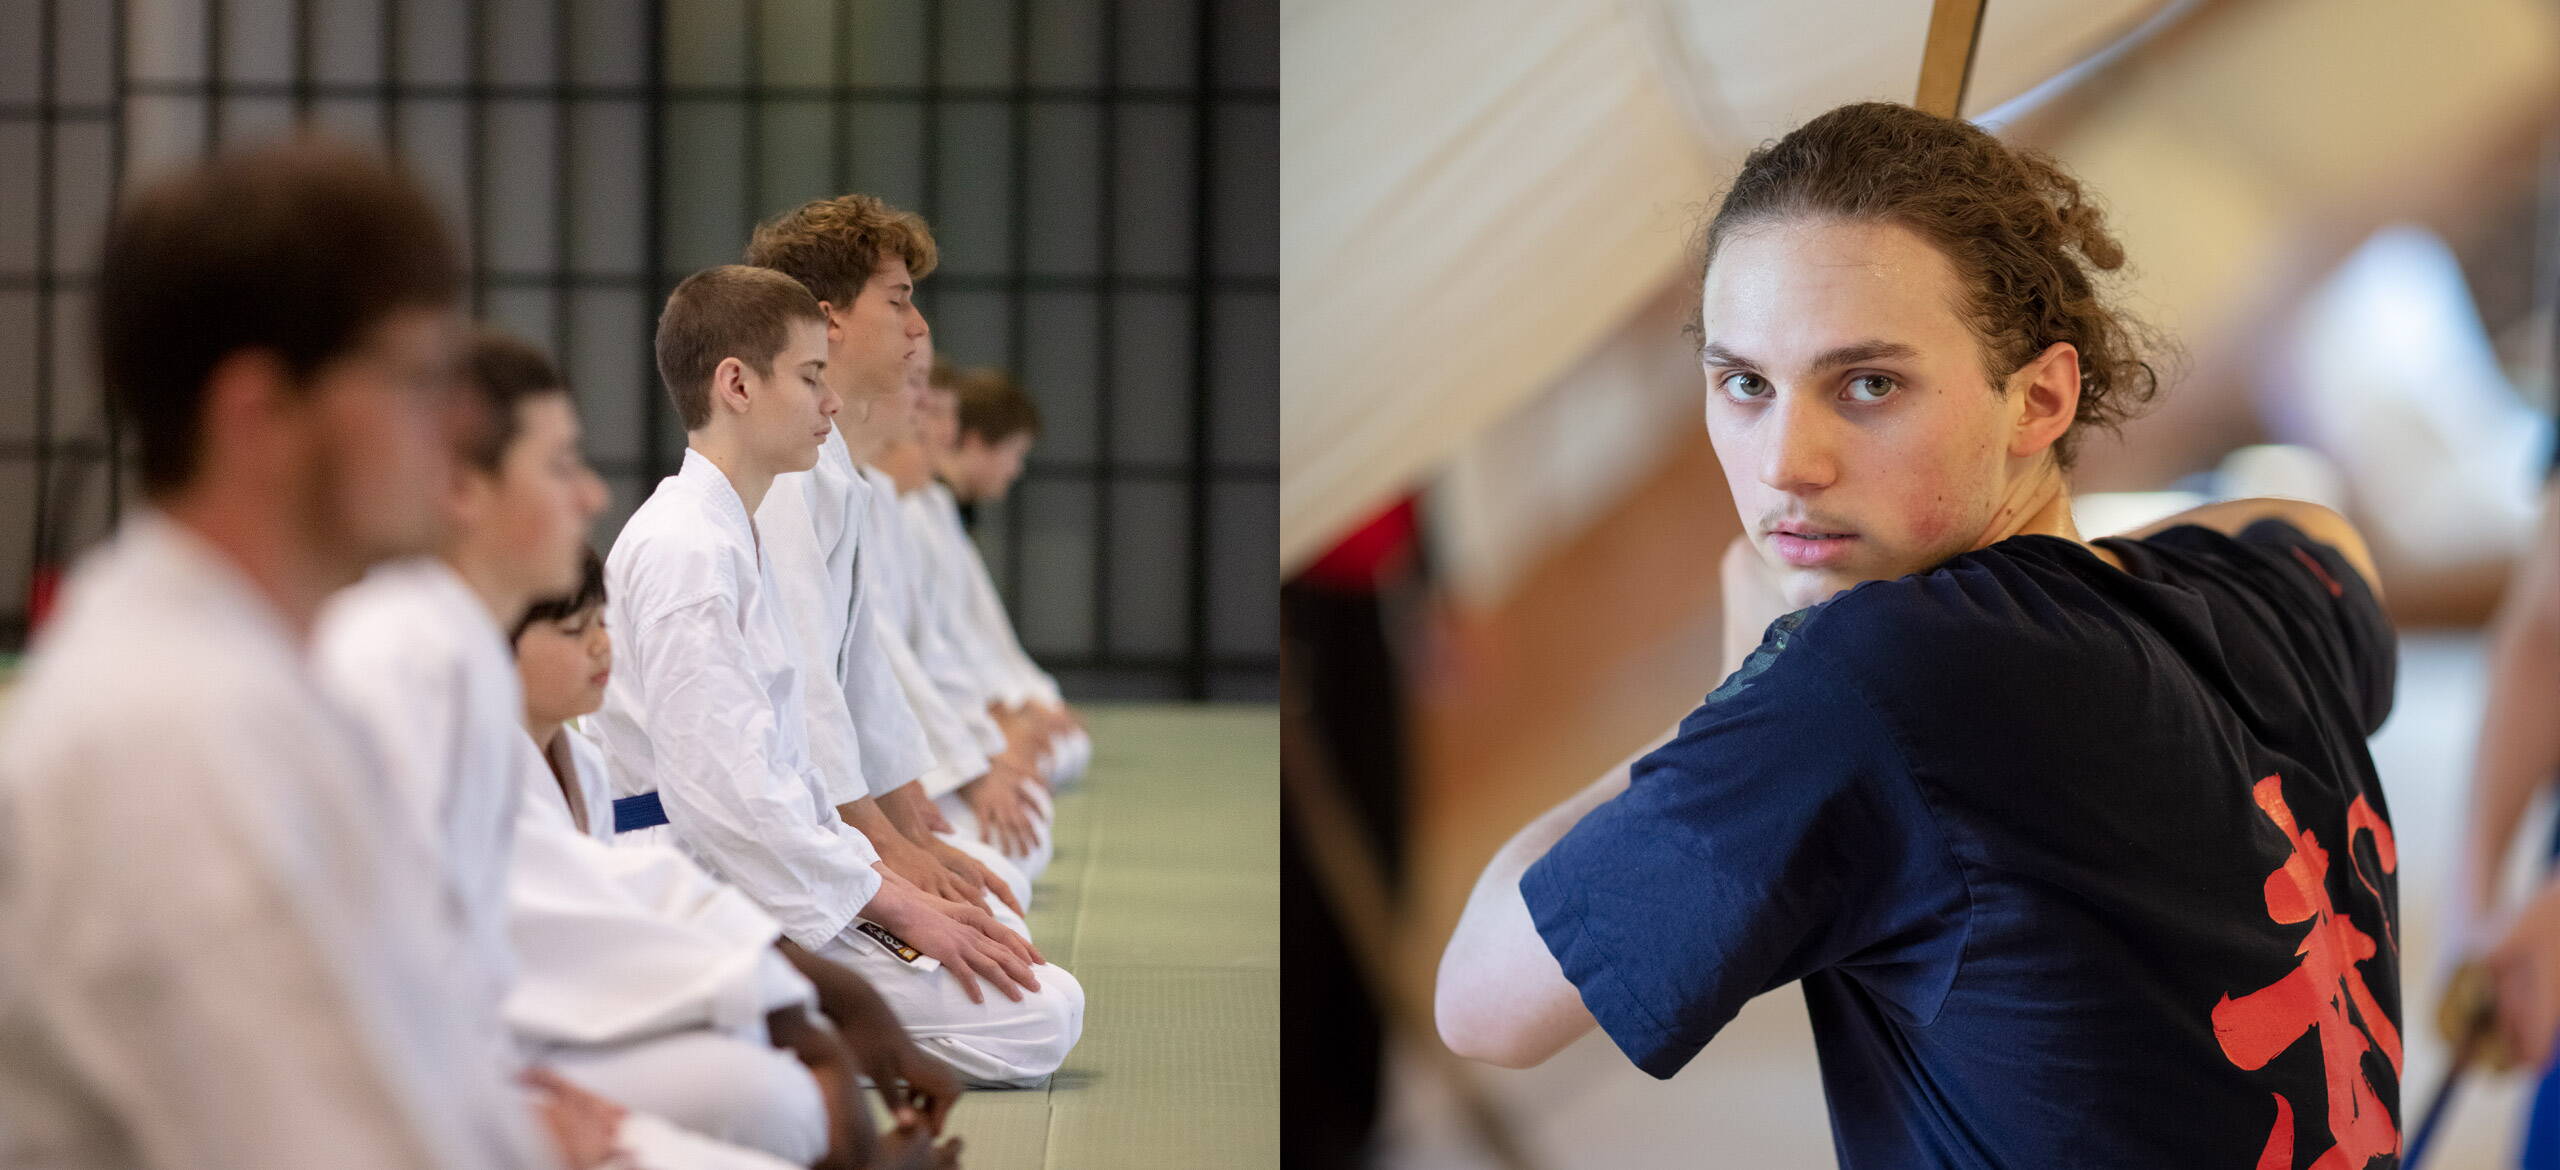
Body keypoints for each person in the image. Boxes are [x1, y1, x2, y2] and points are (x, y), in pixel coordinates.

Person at [1435, 102, 2401, 1167]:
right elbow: (2315, 530)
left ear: (2038, 398)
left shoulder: (1874, 682)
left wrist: (1741, 694)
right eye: (1745, 384)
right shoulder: (2268, 592)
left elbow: (1483, 1002)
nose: (1785, 462)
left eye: (1867, 385)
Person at [0, 139, 561, 1168]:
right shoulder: (169, 736)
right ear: (259, 415)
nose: (464, 418)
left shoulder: (253, 677)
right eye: (418, 373)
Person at [595, 264, 1083, 1087]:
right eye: (810, 377)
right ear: (737, 385)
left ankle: (768, 1025)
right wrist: (886, 896)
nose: (830, 402)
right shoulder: (688, 549)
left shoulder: (731, 532)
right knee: (1040, 1017)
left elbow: (792, 754)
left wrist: (883, 864)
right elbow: (729, 795)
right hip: (698, 876)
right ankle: (736, 1031)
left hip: (771, 863)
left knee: (1034, 986)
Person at [513, 545, 967, 1169]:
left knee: (764, 1071)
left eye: (601, 623)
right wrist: (826, 994)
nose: (601, 647)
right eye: (573, 630)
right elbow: (602, 914)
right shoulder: (477, 767)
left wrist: (830, 989)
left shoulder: (580, 763)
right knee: (777, 1098)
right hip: (510, 1039)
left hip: (585, 1000)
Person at [743, 198, 1054, 884]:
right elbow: (811, 689)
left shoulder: (838, 478)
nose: (917, 328)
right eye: (899, 302)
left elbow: (873, 673)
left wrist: (910, 808)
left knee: (1006, 895)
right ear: (831, 319)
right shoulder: (792, 479)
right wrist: (885, 841)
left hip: (826, 807)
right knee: (1029, 972)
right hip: (774, 826)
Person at [916, 363, 1090, 791]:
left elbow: (978, 631)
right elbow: (921, 646)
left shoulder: (933, 508)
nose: (946, 432)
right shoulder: (911, 508)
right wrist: (996, 711)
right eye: (1014, 454)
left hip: (963, 707)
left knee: (1062, 752)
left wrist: (1021, 699)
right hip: (931, 727)